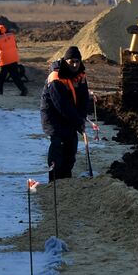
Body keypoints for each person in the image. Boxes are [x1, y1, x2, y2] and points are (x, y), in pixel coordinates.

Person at [41, 46, 92, 181]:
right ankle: (55, 180)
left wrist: (81, 118)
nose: (75, 65)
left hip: (71, 116)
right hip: (53, 117)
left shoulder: (80, 74)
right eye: (71, 62)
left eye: (77, 61)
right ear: (65, 61)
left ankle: (66, 178)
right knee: (58, 144)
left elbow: (84, 98)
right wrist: (77, 121)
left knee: (71, 147)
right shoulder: (56, 77)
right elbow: (61, 104)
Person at [0, 24, 27, 96]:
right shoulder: (10, 34)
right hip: (13, 57)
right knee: (15, 76)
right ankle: (23, 89)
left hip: (3, 59)